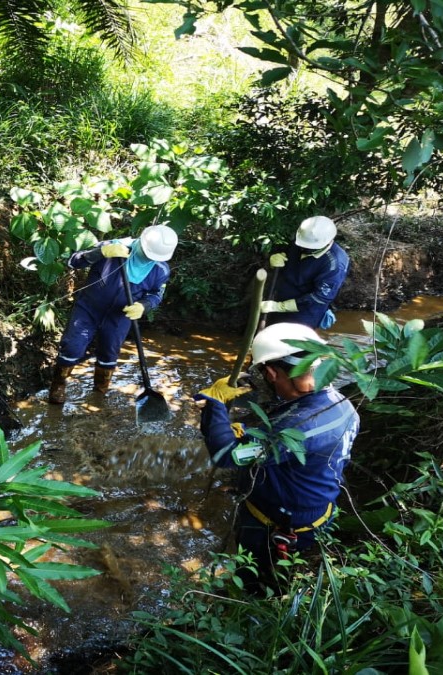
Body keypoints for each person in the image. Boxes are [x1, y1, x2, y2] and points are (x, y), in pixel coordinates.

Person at [194, 322, 359, 594]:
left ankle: (248, 607)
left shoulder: (296, 430)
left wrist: (216, 406)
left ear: (271, 372)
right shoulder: (341, 403)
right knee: (283, 576)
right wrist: (249, 431)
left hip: (279, 524)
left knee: (257, 581)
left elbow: (226, 456)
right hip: (315, 510)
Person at [48, 224, 177, 404]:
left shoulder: (160, 269)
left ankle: (99, 395)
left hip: (119, 317)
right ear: (141, 242)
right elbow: (73, 261)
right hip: (88, 309)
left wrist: (144, 305)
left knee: (109, 354)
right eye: (147, 254)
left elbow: (156, 294)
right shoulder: (112, 246)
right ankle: (58, 385)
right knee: (72, 347)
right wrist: (100, 253)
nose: (149, 258)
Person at [260, 215, 349, 330]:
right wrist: (276, 258)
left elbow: (320, 297)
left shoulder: (335, 265)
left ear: (327, 242)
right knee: (267, 335)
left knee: (291, 344)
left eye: (309, 247)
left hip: (304, 314)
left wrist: (280, 307)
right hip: (277, 299)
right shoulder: (301, 240)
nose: (304, 248)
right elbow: (286, 251)